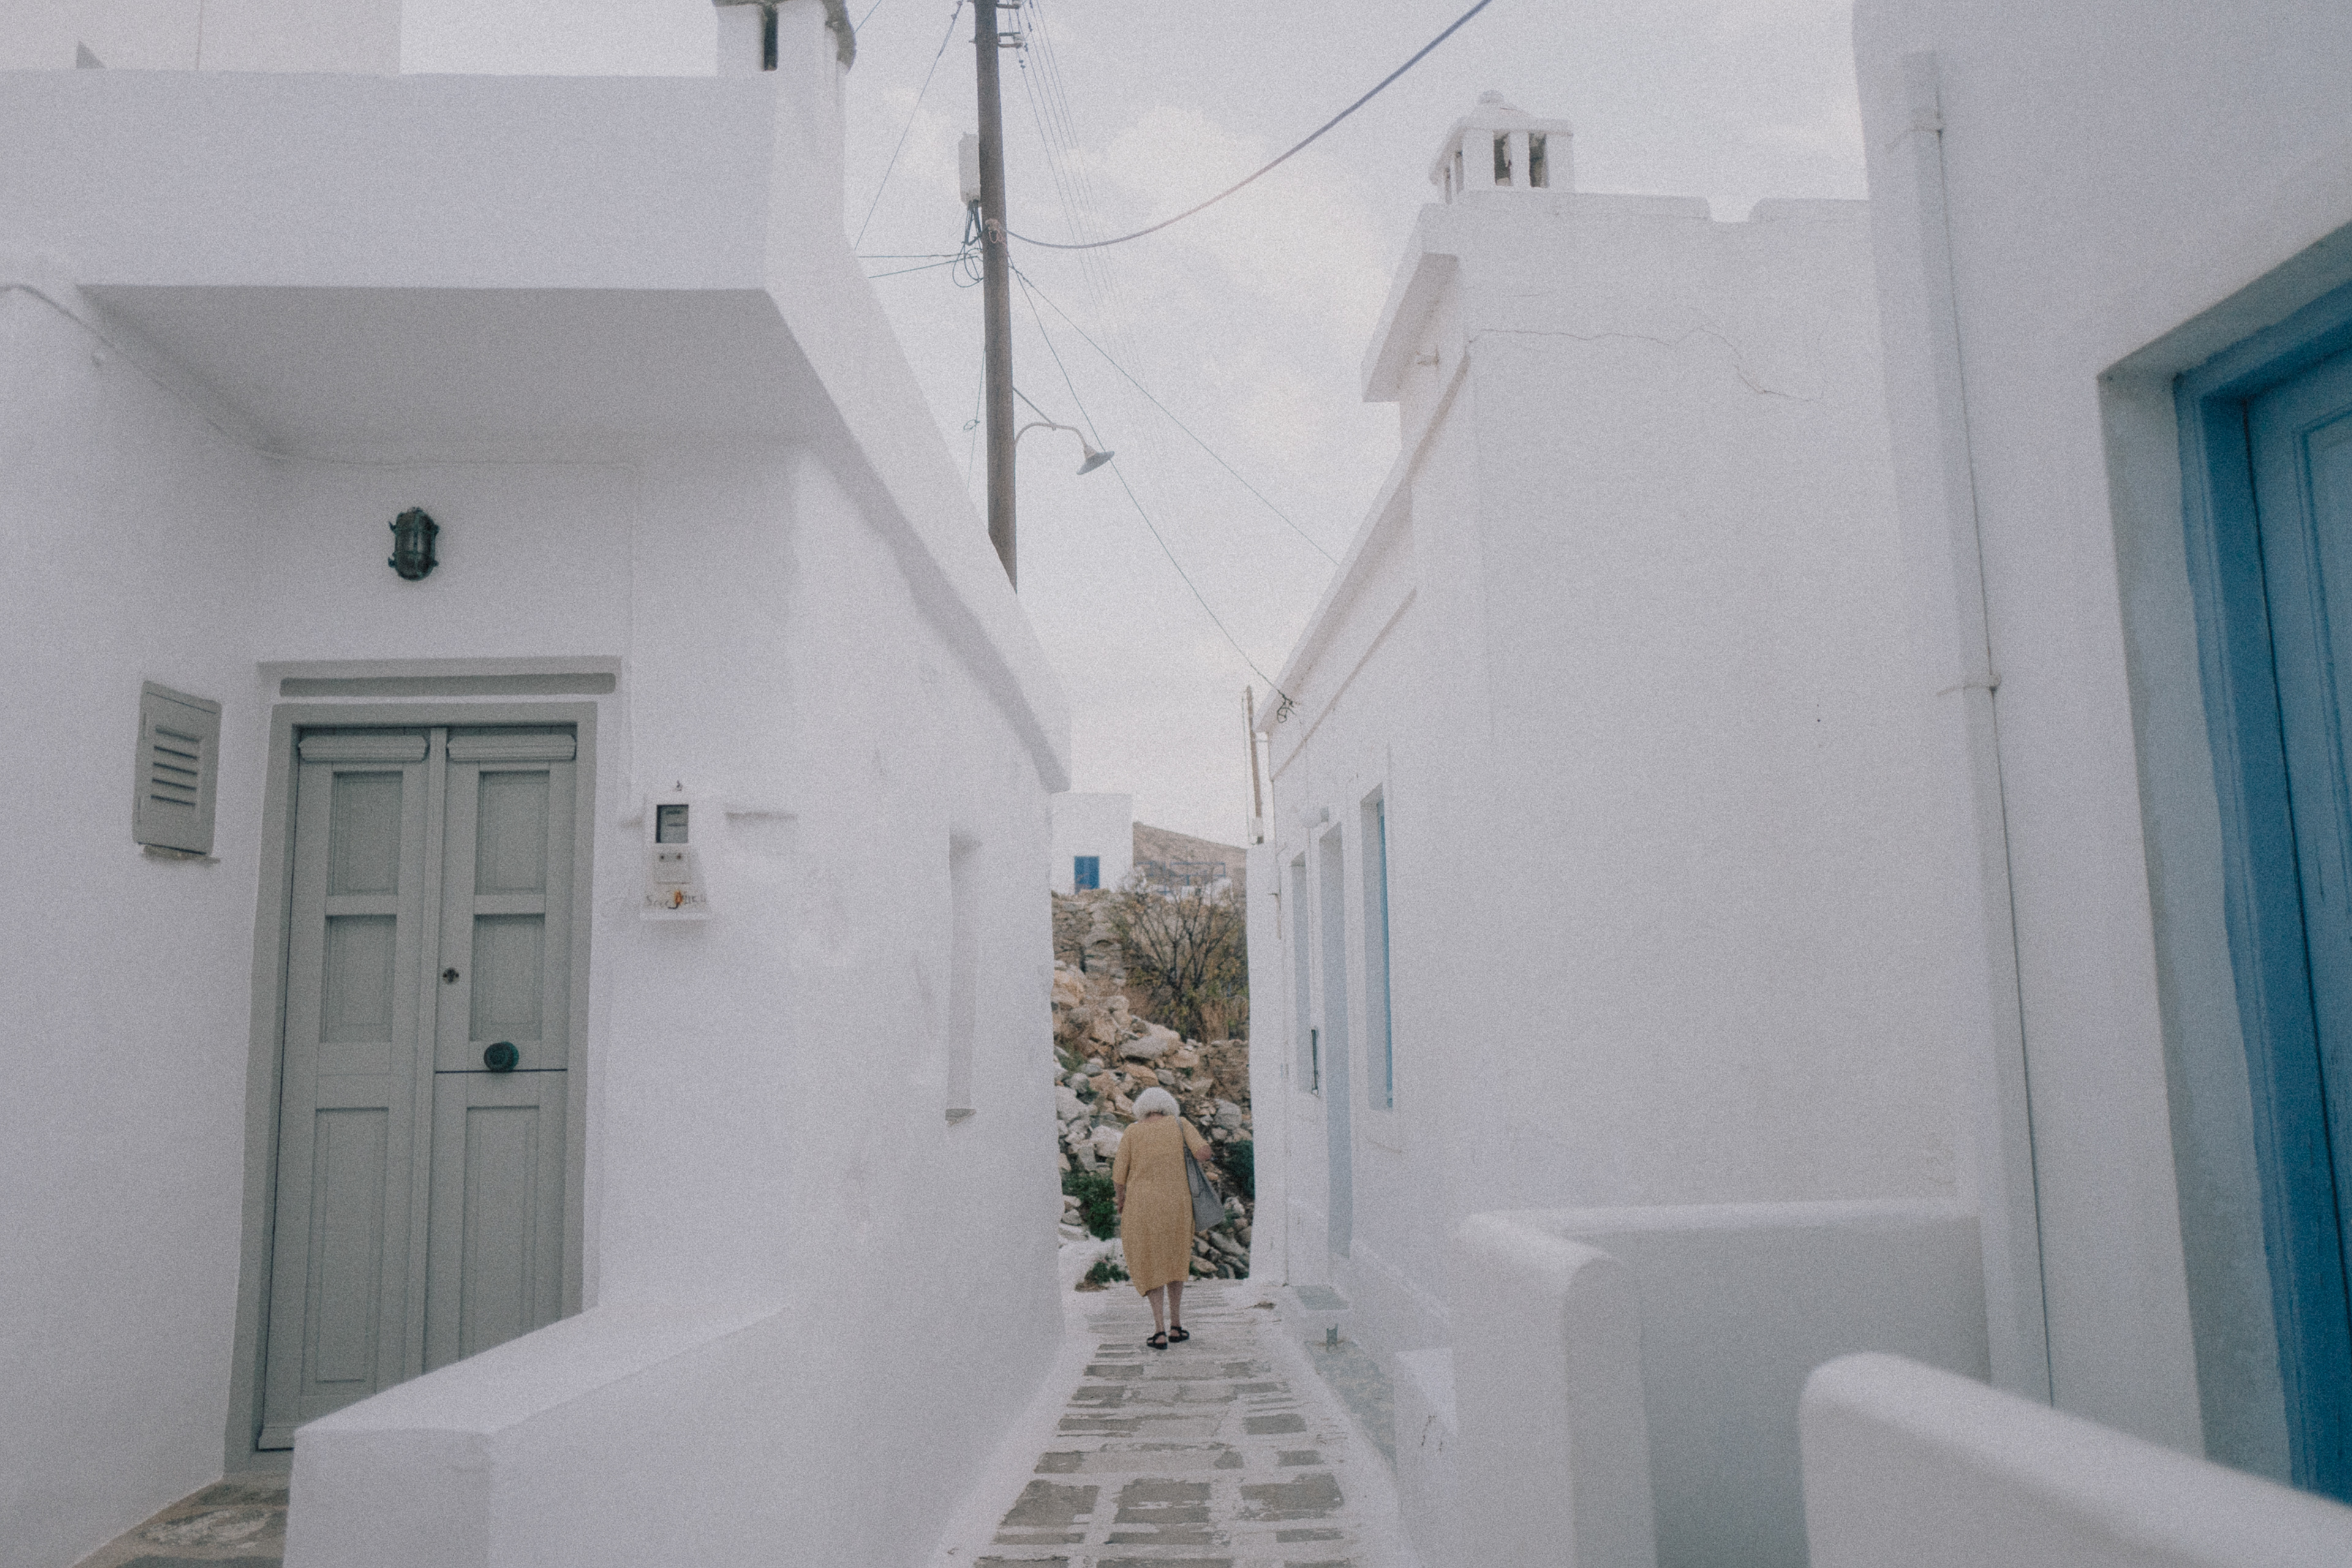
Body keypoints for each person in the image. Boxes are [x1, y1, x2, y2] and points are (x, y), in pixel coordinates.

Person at [1111, 1085, 1216, 1349]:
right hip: (1176, 1206)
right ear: (1168, 1106)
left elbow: (1119, 1175)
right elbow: (1203, 1154)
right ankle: (1176, 1326)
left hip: (1141, 1207)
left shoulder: (1132, 1132)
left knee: (1150, 1262)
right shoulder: (1180, 1125)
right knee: (1175, 1260)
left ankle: (1158, 1331)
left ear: (1142, 1108)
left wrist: (1121, 1200)